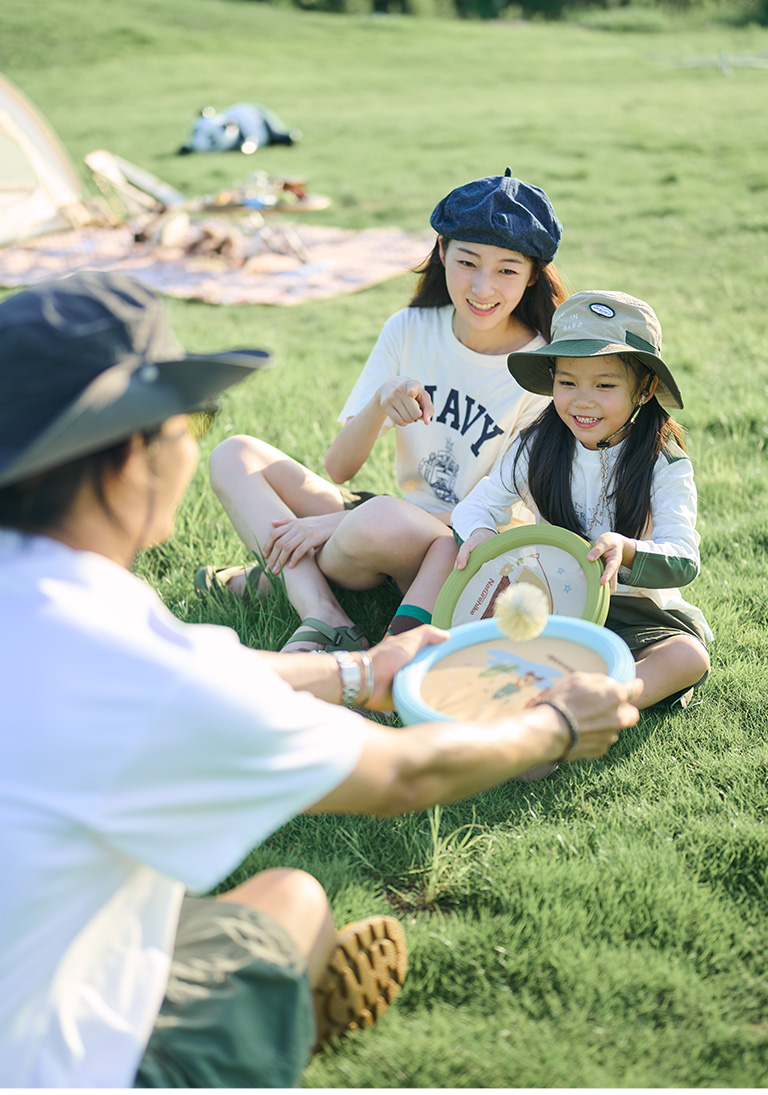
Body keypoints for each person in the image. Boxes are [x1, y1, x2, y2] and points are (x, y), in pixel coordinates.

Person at [0, 272, 641, 1088]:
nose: (193, 448)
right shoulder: (127, 665)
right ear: (131, 456)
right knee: (296, 903)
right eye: (190, 424)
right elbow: (402, 775)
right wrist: (555, 724)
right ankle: (276, 1021)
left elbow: (199, 669)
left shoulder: (59, 605)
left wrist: (357, 670)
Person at [201, 169, 566, 650]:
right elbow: (339, 468)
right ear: (442, 252)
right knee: (235, 454)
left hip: (467, 544)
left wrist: (334, 524)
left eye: (507, 270)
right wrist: (379, 403)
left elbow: (506, 516)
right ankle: (324, 613)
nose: (483, 287)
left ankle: (276, 577)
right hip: (390, 522)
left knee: (377, 519)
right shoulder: (409, 328)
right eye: (468, 262)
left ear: (532, 276)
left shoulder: (541, 371)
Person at [452, 290, 713, 710]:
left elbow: (684, 558)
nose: (582, 400)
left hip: (632, 613)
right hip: (552, 603)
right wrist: (480, 534)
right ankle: (559, 689)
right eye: (567, 382)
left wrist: (627, 549)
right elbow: (474, 506)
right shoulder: (536, 446)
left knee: (687, 657)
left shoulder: (663, 463)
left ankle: (577, 707)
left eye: (605, 384)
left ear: (645, 388)